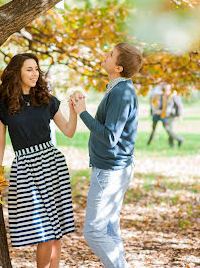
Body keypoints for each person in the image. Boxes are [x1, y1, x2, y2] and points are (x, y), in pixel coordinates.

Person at [0, 53, 77, 268]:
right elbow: (0, 141)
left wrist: (76, 111)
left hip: (51, 164)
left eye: (36, 69)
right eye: (29, 69)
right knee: (44, 231)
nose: (34, 73)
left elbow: (68, 131)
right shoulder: (4, 103)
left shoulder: (46, 99)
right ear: (17, 72)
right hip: (25, 168)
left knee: (55, 229)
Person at [71, 43, 143, 268]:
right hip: (112, 168)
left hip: (111, 171)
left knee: (93, 231)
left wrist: (82, 112)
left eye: (111, 54)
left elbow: (110, 136)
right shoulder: (119, 89)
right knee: (110, 228)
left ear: (119, 67)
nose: (105, 55)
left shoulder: (122, 93)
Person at [146, 83, 184, 147]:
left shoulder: (174, 96)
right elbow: (156, 104)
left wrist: (179, 115)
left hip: (172, 115)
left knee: (168, 129)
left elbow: (179, 106)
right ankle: (171, 143)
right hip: (166, 115)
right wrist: (154, 111)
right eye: (165, 90)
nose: (165, 92)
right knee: (168, 130)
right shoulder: (164, 96)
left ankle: (179, 139)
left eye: (167, 90)